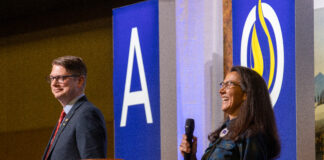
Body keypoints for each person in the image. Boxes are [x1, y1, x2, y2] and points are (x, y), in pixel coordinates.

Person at [179, 66, 281, 160]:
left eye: (229, 84)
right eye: (223, 84)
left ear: (246, 94)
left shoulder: (252, 135)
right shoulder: (223, 132)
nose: (221, 91)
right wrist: (192, 157)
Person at [42, 56, 107, 160]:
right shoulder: (67, 117)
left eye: (61, 78)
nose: (54, 84)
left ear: (80, 81)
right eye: (52, 78)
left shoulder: (87, 114)